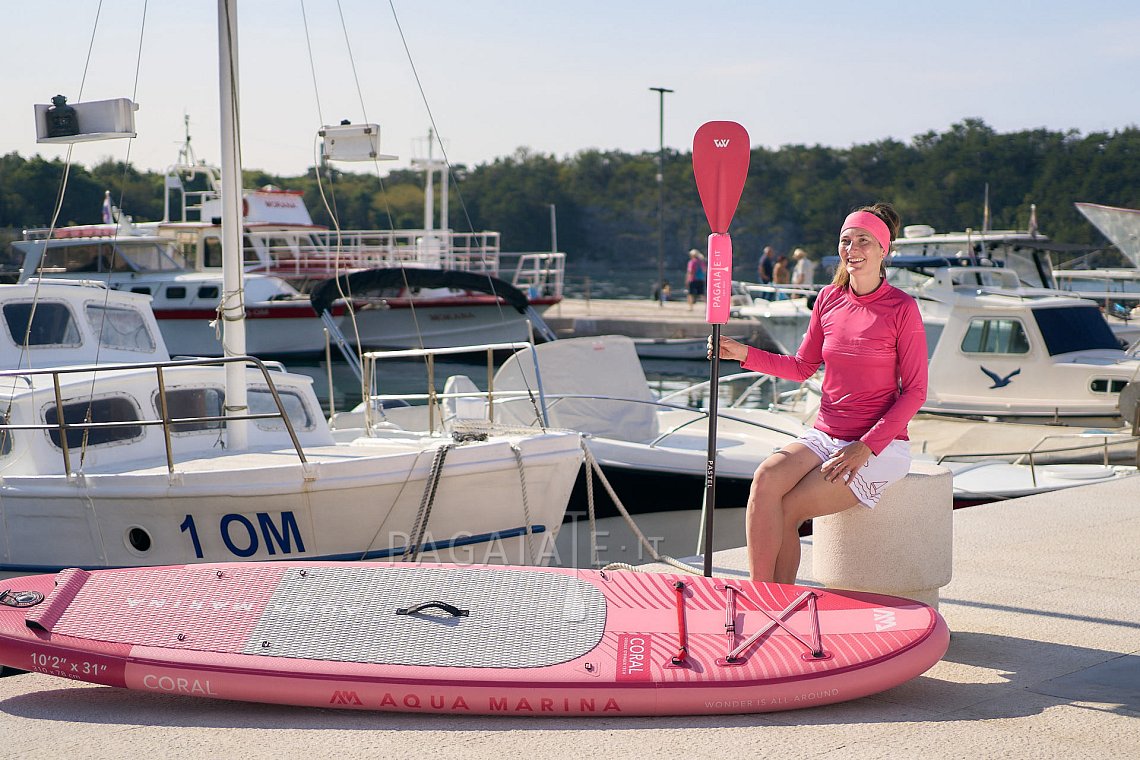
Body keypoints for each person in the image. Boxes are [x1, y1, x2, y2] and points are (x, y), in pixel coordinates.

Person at [709, 203, 928, 583]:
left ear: (883, 250)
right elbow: (801, 367)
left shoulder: (902, 308)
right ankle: (759, 598)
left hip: (879, 444)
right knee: (765, 480)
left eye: (863, 240)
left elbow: (915, 392)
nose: (852, 249)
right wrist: (743, 352)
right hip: (826, 433)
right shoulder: (828, 298)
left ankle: (778, 600)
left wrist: (866, 447)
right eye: (846, 240)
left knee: (791, 507)